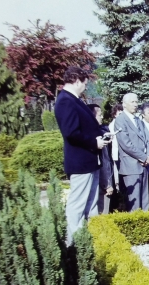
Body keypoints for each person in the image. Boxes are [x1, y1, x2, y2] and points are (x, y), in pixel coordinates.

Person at [54, 66, 107, 245]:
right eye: (84, 83)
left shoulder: (74, 99)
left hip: (89, 161)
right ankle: (73, 246)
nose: (85, 87)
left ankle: (89, 242)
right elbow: (71, 132)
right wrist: (94, 142)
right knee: (78, 206)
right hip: (80, 163)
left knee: (91, 205)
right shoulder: (65, 101)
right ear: (76, 80)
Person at [115, 93, 149, 212]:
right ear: (124, 104)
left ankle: (145, 227)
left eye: (136, 102)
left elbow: (146, 139)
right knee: (134, 203)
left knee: (145, 200)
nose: (136, 105)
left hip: (144, 164)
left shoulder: (138, 120)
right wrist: (143, 157)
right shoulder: (120, 120)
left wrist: (148, 156)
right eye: (132, 102)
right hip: (131, 166)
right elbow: (126, 144)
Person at [88, 103, 113, 215]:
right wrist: (107, 184)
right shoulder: (97, 138)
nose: (102, 117)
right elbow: (104, 161)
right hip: (100, 183)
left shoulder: (102, 132)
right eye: (99, 115)